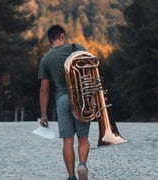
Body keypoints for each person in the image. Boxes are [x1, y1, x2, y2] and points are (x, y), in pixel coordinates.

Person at [38, 24, 90, 180]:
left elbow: (44, 90)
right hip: (80, 98)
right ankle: (82, 164)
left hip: (62, 99)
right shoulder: (77, 48)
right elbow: (90, 73)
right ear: (62, 36)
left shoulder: (46, 59)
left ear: (50, 41)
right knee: (83, 138)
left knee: (68, 140)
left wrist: (44, 115)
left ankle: (71, 176)